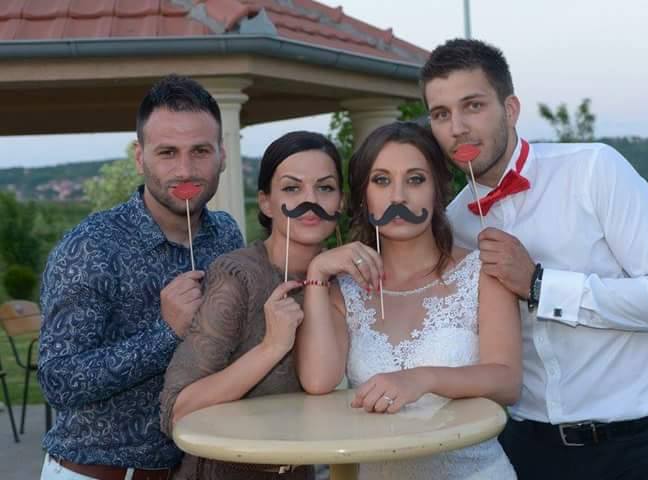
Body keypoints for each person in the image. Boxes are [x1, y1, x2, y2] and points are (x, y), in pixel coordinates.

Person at [422, 38, 648, 479]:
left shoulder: (594, 169)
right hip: (530, 451)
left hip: (643, 448)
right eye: (441, 114)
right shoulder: (454, 222)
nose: (457, 128)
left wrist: (540, 284)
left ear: (510, 109)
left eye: (473, 106)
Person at [38, 74, 244, 480]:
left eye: (200, 151)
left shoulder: (226, 235)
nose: (185, 169)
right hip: (96, 473)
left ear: (222, 155)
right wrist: (166, 333)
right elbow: (58, 381)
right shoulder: (90, 246)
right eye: (167, 152)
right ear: (140, 158)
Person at [296, 121, 521, 479]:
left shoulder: (481, 273)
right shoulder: (345, 290)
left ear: (438, 190)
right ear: (363, 196)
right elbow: (318, 380)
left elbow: (507, 381)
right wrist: (318, 271)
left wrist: (421, 379)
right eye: (381, 180)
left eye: (415, 179)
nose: (398, 197)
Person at [159, 131, 344, 479]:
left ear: (341, 201)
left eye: (325, 187)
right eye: (292, 188)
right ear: (266, 203)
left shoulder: (343, 280)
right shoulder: (238, 276)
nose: (311, 200)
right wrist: (271, 347)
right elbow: (176, 412)